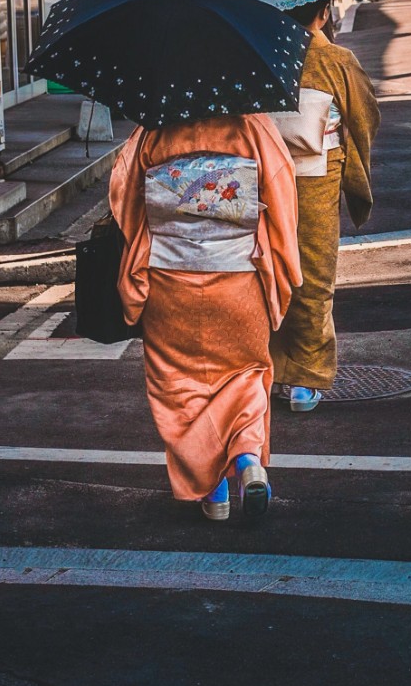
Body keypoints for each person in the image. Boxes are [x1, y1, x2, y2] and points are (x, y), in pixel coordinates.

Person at [109, 112, 301, 523]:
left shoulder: (151, 129)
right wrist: (283, 270)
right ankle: (248, 458)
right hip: (239, 278)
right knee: (245, 372)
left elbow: (124, 199)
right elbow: (283, 195)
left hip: (168, 277)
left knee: (178, 383)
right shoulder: (253, 125)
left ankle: (214, 493)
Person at [270, 0, 381, 411]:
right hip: (317, 169)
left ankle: (271, 366)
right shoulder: (336, 58)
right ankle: (305, 377)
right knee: (313, 271)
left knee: (270, 265)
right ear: (322, 12)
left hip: (266, 171)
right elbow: (365, 114)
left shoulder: (267, 51)